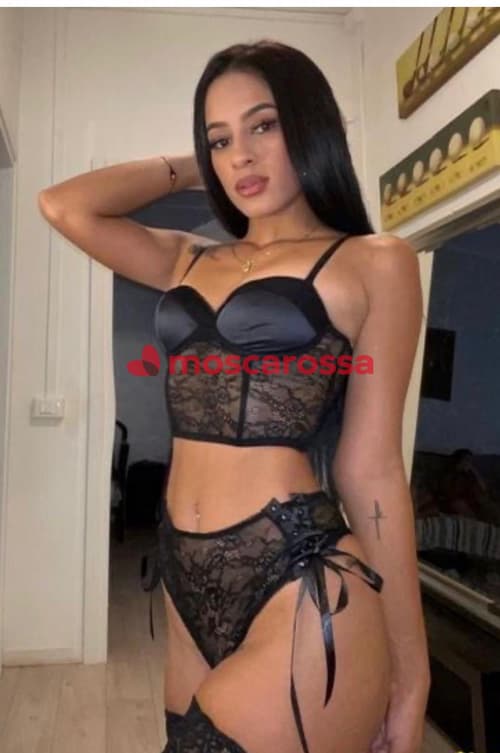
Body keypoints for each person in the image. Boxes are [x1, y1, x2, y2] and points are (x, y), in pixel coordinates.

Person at [38, 39, 429, 753]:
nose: (241, 156)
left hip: (297, 568)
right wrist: (199, 160)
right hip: (183, 570)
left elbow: (372, 470)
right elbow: (64, 206)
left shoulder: (375, 262)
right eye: (220, 139)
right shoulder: (189, 257)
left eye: (264, 126)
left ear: (308, 125)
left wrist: (411, 674)